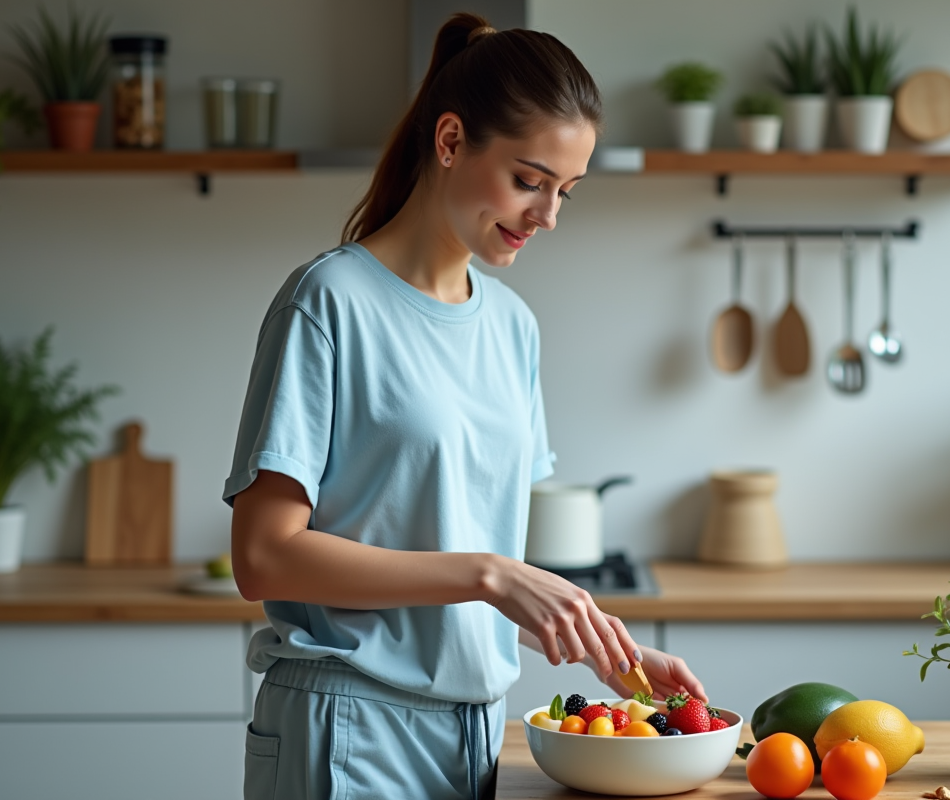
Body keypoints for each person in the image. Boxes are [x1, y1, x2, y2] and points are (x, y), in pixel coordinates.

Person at [224, 13, 707, 800]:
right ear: (450, 141)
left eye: (566, 192)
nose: (547, 215)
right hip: (350, 730)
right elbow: (263, 556)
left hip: (478, 732)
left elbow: (460, 566)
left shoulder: (513, 326)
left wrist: (608, 656)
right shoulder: (329, 302)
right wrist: (491, 575)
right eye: (529, 180)